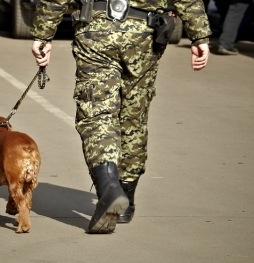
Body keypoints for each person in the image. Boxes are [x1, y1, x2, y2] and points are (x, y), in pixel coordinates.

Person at [31, 0, 211, 234]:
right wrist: (199, 37)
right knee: (133, 117)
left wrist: (43, 35)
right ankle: (126, 198)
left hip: (96, 31)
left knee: (97, 112)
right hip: (144, 33)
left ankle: (109, 188)